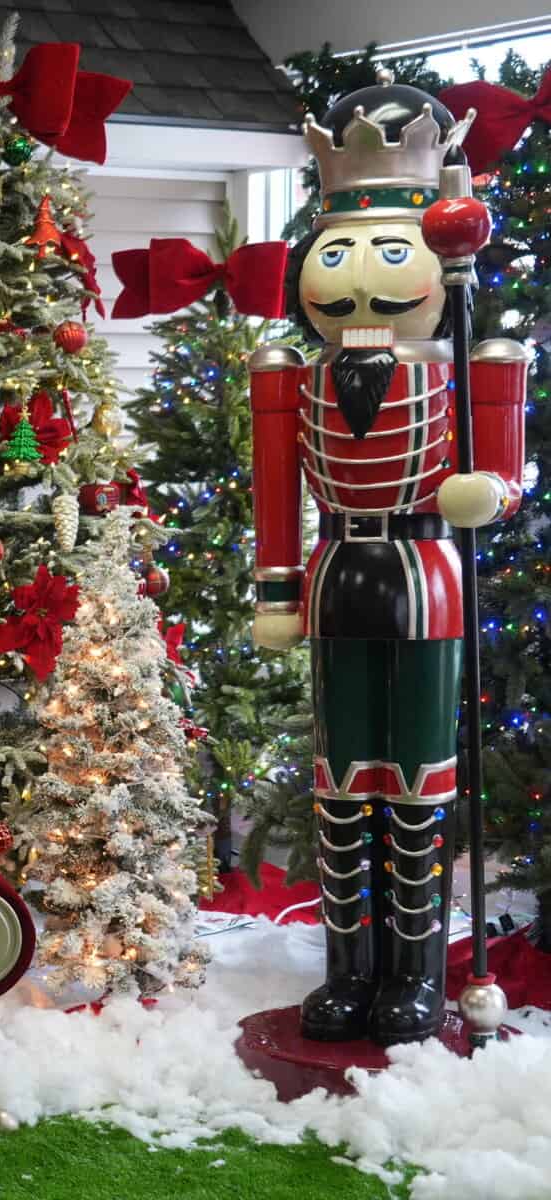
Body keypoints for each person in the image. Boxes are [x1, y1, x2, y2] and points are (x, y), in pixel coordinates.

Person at [250, 78, 527, 1045]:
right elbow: (275, 491)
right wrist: (276, 587)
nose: (360, 278)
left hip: (426, 583)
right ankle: (348, 969)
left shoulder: (474, 360)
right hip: (336, 578)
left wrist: (486, 495)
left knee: (417, 781)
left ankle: (412, 975)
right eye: (338, 252)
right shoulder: (291, 375)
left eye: (390, 248)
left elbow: (505, 479)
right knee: (341, 779)